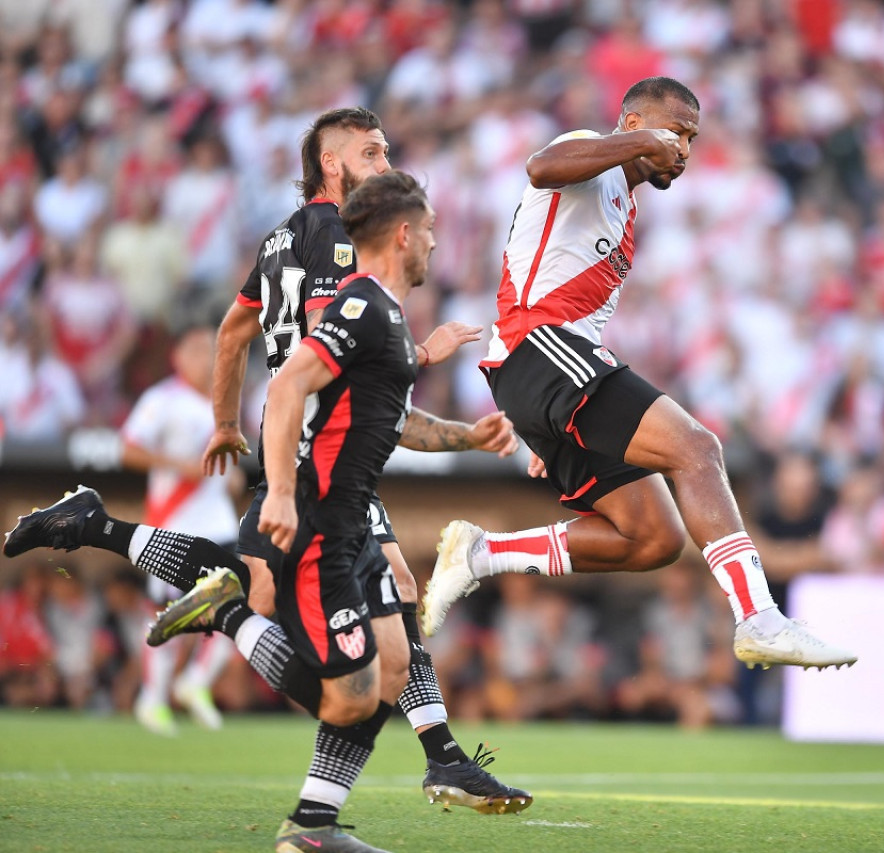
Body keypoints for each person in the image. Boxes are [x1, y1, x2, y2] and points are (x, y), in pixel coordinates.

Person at [4, 108, 531, 813]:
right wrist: (408, 356)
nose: (384, 164)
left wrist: (226, 420)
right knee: (332, 638)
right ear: (333, 165)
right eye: (371, 154)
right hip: (320, 447)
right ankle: (421, 766)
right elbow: (329, 351)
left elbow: (232, 332)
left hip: (307, 440)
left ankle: (418, 768)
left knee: (351, 601)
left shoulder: (280, 238)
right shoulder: (338, 239)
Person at [421, 77, 857, 671]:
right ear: (633, 123)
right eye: (676, 131)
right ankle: (759, 616)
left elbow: (584, 320)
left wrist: (562, 420)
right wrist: (639, 141)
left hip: (552, 371)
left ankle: (482, 554)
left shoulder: (624, 208)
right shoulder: (589, 155)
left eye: (692, 138)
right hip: (539, 348)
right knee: (698, 448)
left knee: (654, 538)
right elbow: (540, 166)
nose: (684, 148)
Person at [147, 170, 458, 852]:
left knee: (384, 649)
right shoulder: (351, 282)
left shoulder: (351, 289)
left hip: (330, 495)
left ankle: (324, 818)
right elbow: (295, 379)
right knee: (351, 688)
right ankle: (215, 607)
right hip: (320, 498)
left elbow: (241, 336)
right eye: (369, 149)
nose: (436, 242)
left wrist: (471, 434)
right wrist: (283, 487)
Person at [120, 324, 237, 735]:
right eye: (200, 350)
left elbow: (228, 468)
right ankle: (153, 698)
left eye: (213, 350)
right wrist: (180, 466)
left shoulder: (224, 402)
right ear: (179, 357)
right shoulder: (162, 400)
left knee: (241, 598)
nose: (208, 358)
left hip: (218, 521)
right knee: (169, 614)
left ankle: (196, 682)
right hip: (173, 521)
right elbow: (128, 448)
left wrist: (232, 478)